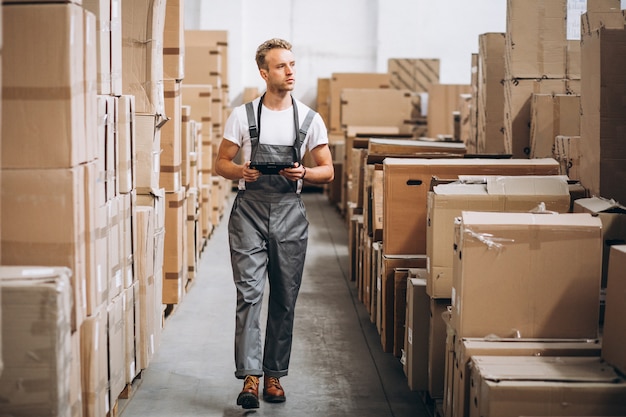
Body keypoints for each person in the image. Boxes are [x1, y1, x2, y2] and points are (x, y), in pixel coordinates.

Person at [215, 38, 334, 410]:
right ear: (264, 73)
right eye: (282, 66)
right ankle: (250, 377)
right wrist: (241, 171)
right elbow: (220, 163)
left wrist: (305, 172)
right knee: (249, 294)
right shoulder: (242, 116)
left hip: (289, 211)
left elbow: (328, 170)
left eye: (293, 65)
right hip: (249, 210)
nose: (291, 71)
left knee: (284, 297)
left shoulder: (310, 119)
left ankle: (274, 376)